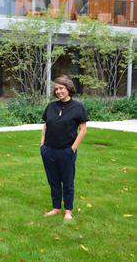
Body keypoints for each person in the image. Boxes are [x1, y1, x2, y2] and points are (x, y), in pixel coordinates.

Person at [40, 75, 88, 220]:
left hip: (66, 151)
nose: (58, 91)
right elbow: (46, 125)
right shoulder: (51, 106)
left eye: (61, 88)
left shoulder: (78, 107)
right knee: (53, 181)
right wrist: (42, 144)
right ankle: (56, 208)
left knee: (67, 182)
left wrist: (72, 148)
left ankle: (68, 210)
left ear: (68, 89)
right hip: (49, 150)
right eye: (56, 89)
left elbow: (83, 129)